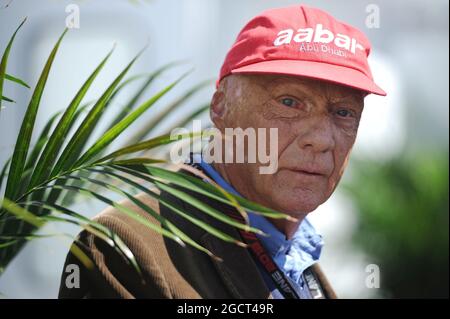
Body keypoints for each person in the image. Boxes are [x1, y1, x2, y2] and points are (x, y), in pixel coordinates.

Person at [59, 4, 385, 299]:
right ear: (221, 107)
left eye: (343, 112)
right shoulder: (124, 246)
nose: (322, 139)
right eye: (289, 102)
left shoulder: (294, 251)